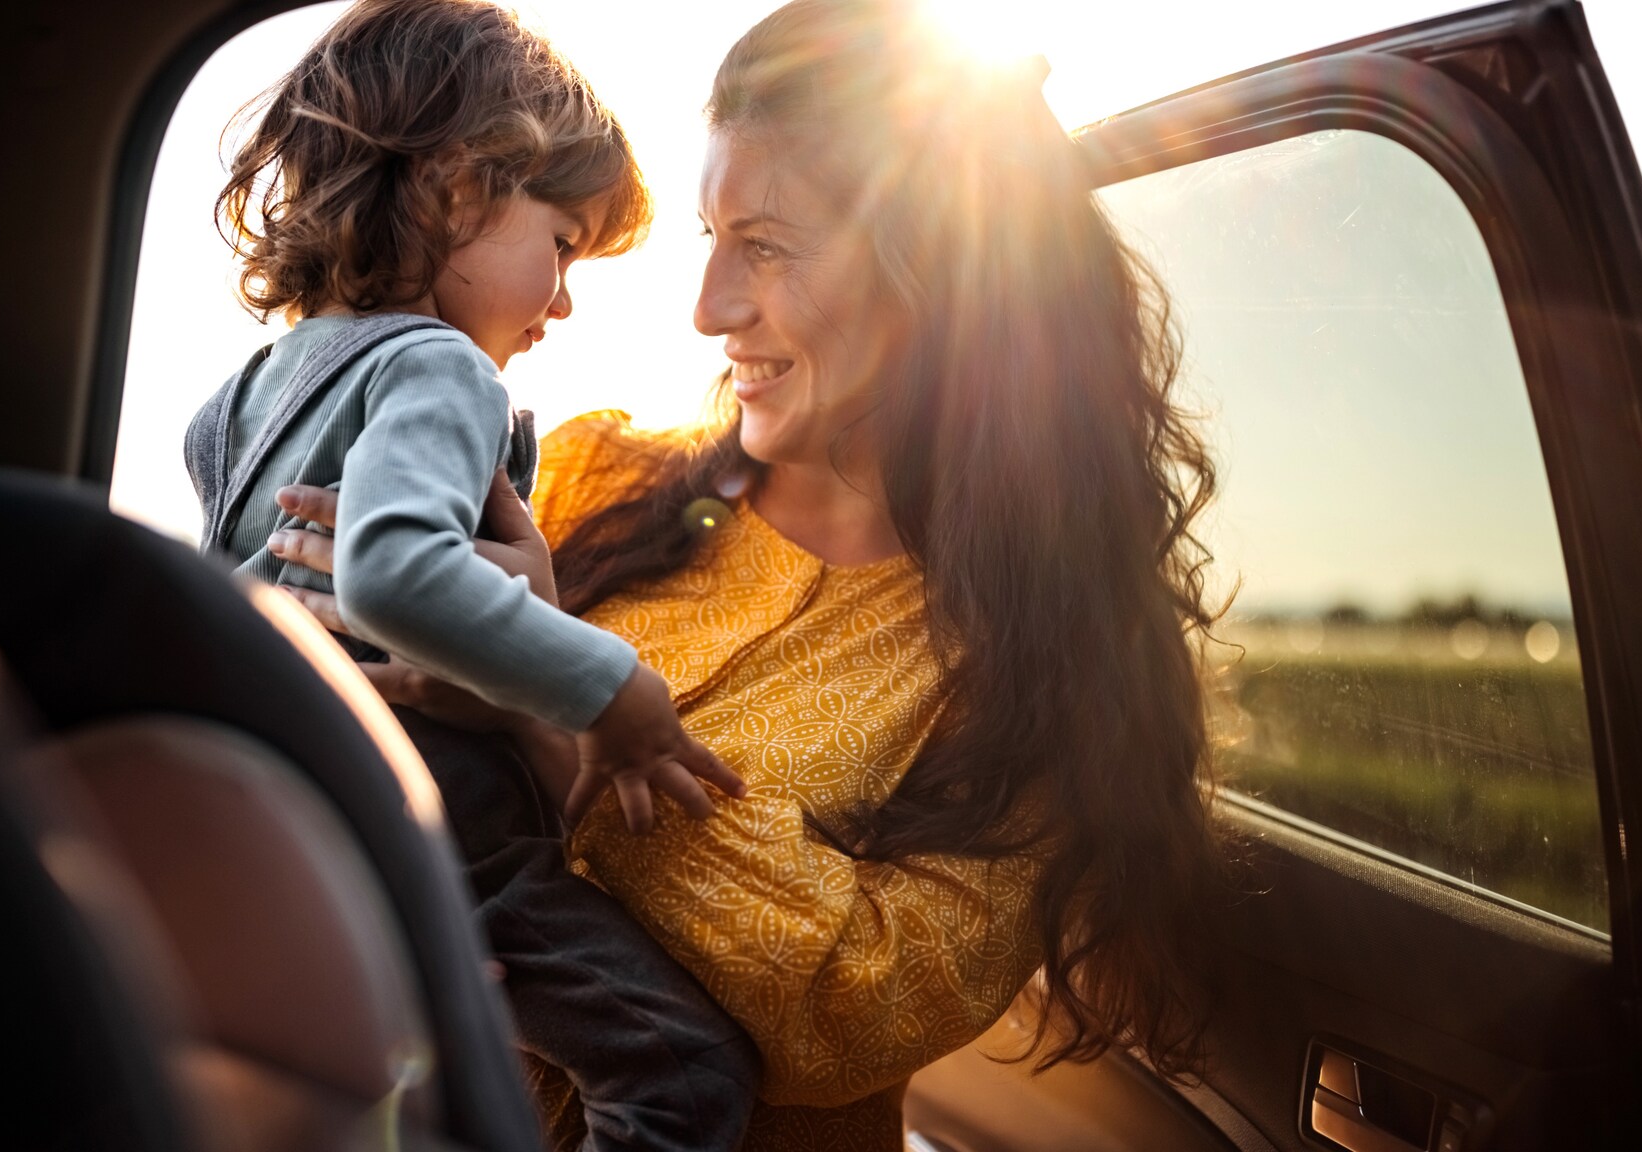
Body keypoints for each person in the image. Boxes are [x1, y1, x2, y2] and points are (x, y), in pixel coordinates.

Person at [269, 0, 1226, 1148]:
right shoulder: (583, 479)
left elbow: (856, 1013)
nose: (709, 307)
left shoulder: (1056, 675)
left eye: (764, 244)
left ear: (953, 278)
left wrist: (551, 717)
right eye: (709, 238)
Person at [184, 3, 761, 1149]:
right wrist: (613, 692)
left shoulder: (238, 399)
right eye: (561, 244)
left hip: (307, 825)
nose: (560, 301)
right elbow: (397, 576)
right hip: (454, 836)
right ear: (458, 188)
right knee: (688, 1077)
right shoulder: (440, 367)